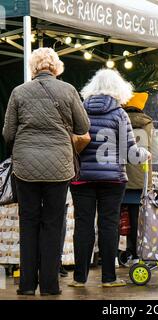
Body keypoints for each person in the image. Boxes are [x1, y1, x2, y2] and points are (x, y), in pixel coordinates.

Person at [2, 47, 90, 296]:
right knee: (53, 223)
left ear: (33, 67)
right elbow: (83, 127)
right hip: (59, 167)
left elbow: (8, 133)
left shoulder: (18, 92)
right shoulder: (69, 90)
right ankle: (50, 285)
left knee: (28, 223)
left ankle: (27, 285)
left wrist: (22, 147)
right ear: (56, 67)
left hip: (25, 167)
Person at [69, 69, 150, 288]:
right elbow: (131, 153)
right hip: (112, 179)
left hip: (82, 176)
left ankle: (79, 278)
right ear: (119, 89)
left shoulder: (81, 110)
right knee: (108, 225)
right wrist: (145, 154)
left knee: (83, 225)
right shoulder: (119, 114)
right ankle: (108, 278)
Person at [121, 92, 154, 265]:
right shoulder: (148, 124)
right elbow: (152, 152)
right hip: (140, 179)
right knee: (136, 219)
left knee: (113, 218)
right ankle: (135, 254)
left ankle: (112, 254)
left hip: (119, 177)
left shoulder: (118, 120)